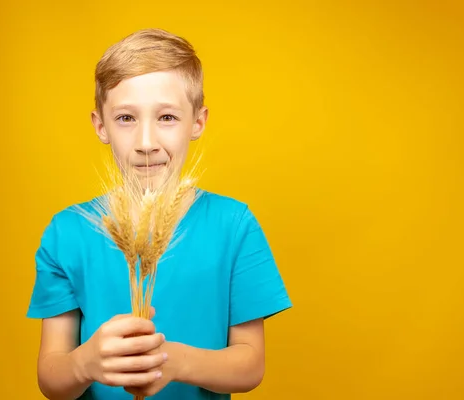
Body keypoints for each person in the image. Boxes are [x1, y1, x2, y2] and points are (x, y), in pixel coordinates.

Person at [26, 28, 292, 400]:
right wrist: (84, 363)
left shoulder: (234, 226)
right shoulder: (67, 233)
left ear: (197, 122)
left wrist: (173, 361)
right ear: (100, 125)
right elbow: (51, 379)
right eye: (126, 119)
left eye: (167, 117)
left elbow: (250, 365)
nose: (147, 143)